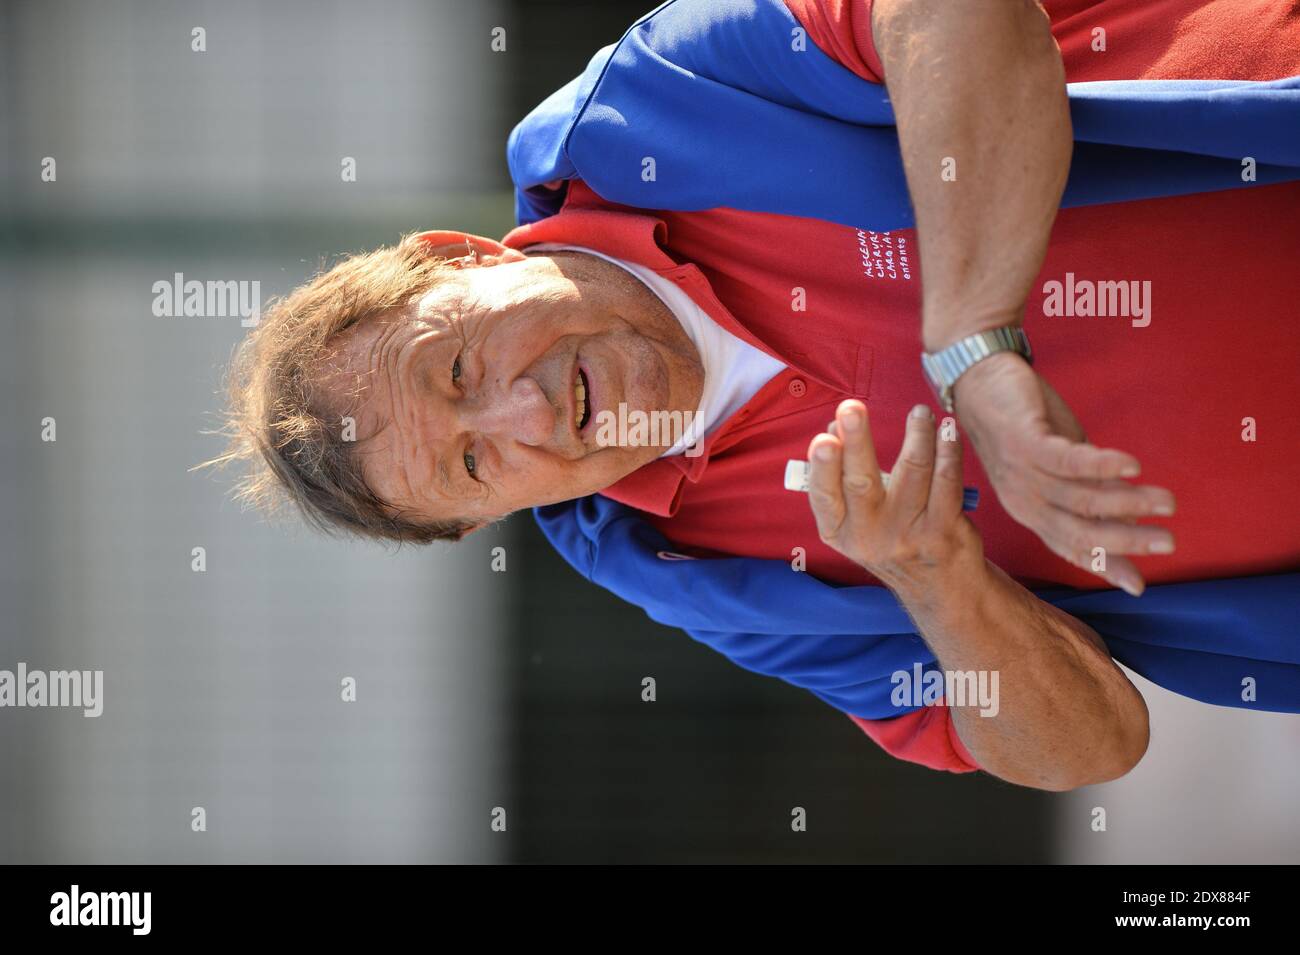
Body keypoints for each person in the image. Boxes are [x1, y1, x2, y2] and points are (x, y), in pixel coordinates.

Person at [212, 0, 1300, 790]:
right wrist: (937, 581)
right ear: (491, 518)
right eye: (473, 463)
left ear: (460, 254)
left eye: (455, 369)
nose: (526, 415)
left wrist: (972, 340)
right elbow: (1089, 746)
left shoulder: (655, 104)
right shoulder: (698, 574)